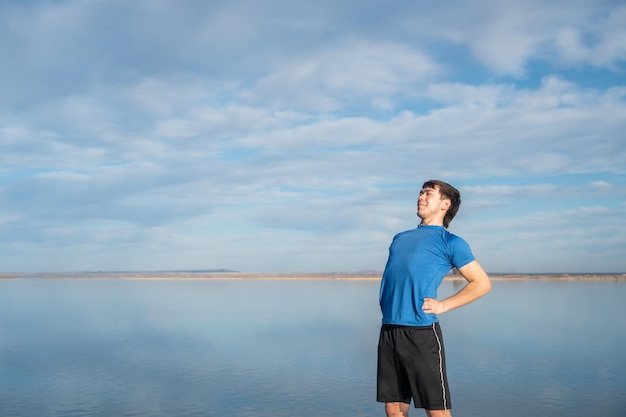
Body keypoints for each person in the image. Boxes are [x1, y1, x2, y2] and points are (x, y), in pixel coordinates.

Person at [377, 180, 491, 417]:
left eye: (428, 193)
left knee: (436, 411)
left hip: (421, 332)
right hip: (389, 330)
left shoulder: (450, 242)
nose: (421, 197)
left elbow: (482, 283)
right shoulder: (400, 237)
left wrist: (444, 305)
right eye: (420, 193)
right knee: (394, 408)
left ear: (445, 204)